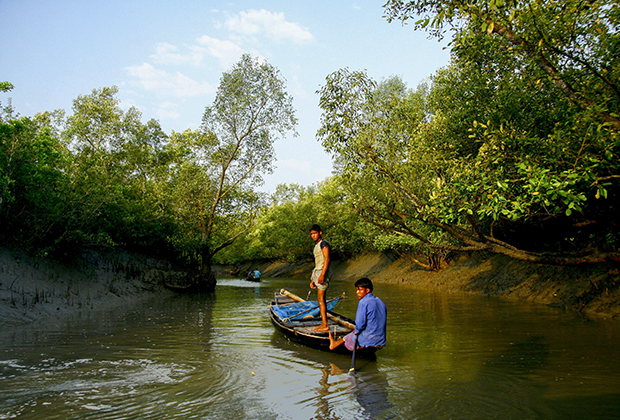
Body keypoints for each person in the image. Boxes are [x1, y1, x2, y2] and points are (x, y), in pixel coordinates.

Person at [329, 277, 387, 351]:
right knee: (351, 335)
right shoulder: (380, 302)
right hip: (380, 339)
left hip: (367, 340)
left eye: (360, 290)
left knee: (352, 335)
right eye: (357, 290)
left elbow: (359, 326)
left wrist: (354, 334)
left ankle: (335, 344)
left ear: (367, 290)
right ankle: (340, 341)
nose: (357, 292)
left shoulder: (363, 302)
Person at [309, 224, 332, 332]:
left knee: (321, 299)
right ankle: (324, 323)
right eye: (311, 234)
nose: (313, 236)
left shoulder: (324, 243)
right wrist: (313, 279)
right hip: (318, 272)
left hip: (323, 272)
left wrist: (322, 275)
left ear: (320, 233)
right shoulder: (317, 245)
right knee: (320, 299)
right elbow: (317, 263)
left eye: (315, 233)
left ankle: (325, 325)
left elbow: (327, 259)